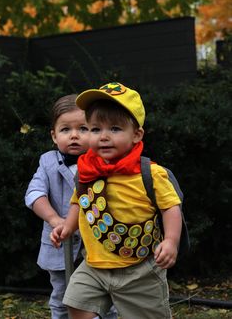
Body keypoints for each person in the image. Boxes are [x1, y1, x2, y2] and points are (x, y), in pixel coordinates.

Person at [51, 83, 182, 319]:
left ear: (136, 134)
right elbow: (79, 201)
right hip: (93, 264)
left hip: (139, 268)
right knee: (76, 304)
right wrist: (67, 226)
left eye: (114, 128)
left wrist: (171, 241)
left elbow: (170, 206)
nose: (103, 136)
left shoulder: (149, 173)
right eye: (93, 129)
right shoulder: (87, 170)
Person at [25, 94, 118, 319]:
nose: (74, 135)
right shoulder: (47, 162)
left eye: (84, 129)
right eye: (66, 129)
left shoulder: (105, 161)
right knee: (63, 295)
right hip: (59, 244)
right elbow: (34, 193)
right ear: (54, 136)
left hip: (97, 243)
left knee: (105, 295)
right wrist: (54, 219)